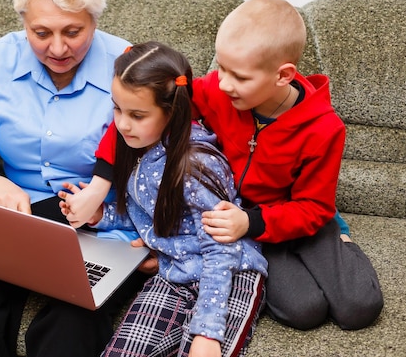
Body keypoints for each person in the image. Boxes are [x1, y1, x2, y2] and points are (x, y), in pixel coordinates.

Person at [60, 0, 383, 332]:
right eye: (221, 68)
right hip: (246, 223)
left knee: (358, 308)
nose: (224, 83)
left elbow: (314, 206)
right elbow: (135, 116)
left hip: (297, 216)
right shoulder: (216, 90)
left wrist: (250, 223)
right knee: (304, 311)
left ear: (283, 75)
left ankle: (341, 239)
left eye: (239, 77)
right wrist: (100, 186)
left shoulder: (324, 129)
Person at [0, 0, 148, 357]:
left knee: (73, 326)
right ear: (23, 22)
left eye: (73, 31)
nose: (58, 47)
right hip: (20, 220)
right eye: (41, 32)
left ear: (95, 20)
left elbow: (159, 165)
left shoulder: (129, 67)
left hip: (101, 225)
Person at [62, 41, 267, 357]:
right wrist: (102, 217)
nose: (122, 124)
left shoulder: (196, 166)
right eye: (117, 109)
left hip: (230, 272)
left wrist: (208, 332)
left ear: (171, 112)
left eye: (137, 115)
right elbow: (147, 211)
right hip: (173, 272)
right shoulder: (136, 148)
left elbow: (220, 247)